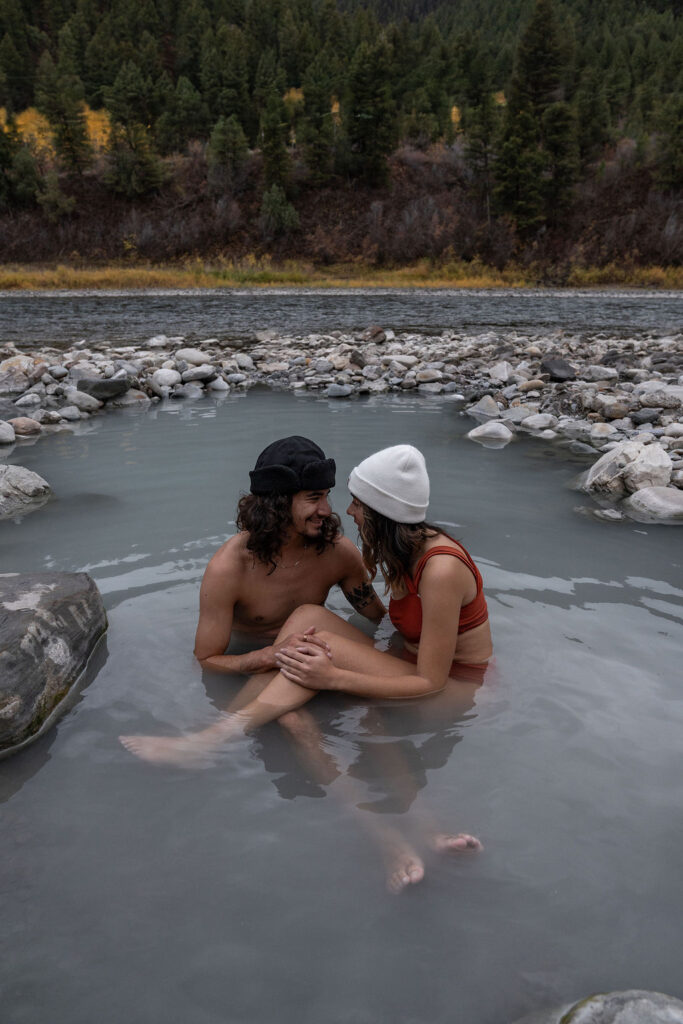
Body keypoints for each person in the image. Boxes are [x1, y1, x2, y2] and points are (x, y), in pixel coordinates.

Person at [121, 444, 490, 889]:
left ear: (382, 512)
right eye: (316, 497)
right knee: (301, 666)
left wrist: (335, 677)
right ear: (279, 504)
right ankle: (392, 834)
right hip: (398, 667)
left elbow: (414, 657)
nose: (338, 510)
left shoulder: (383, 558)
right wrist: (274, 659)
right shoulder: (232, 566)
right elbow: (208, 659)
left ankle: (211, 739)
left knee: (315, 641)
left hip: (440, 686)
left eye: (346, 500)